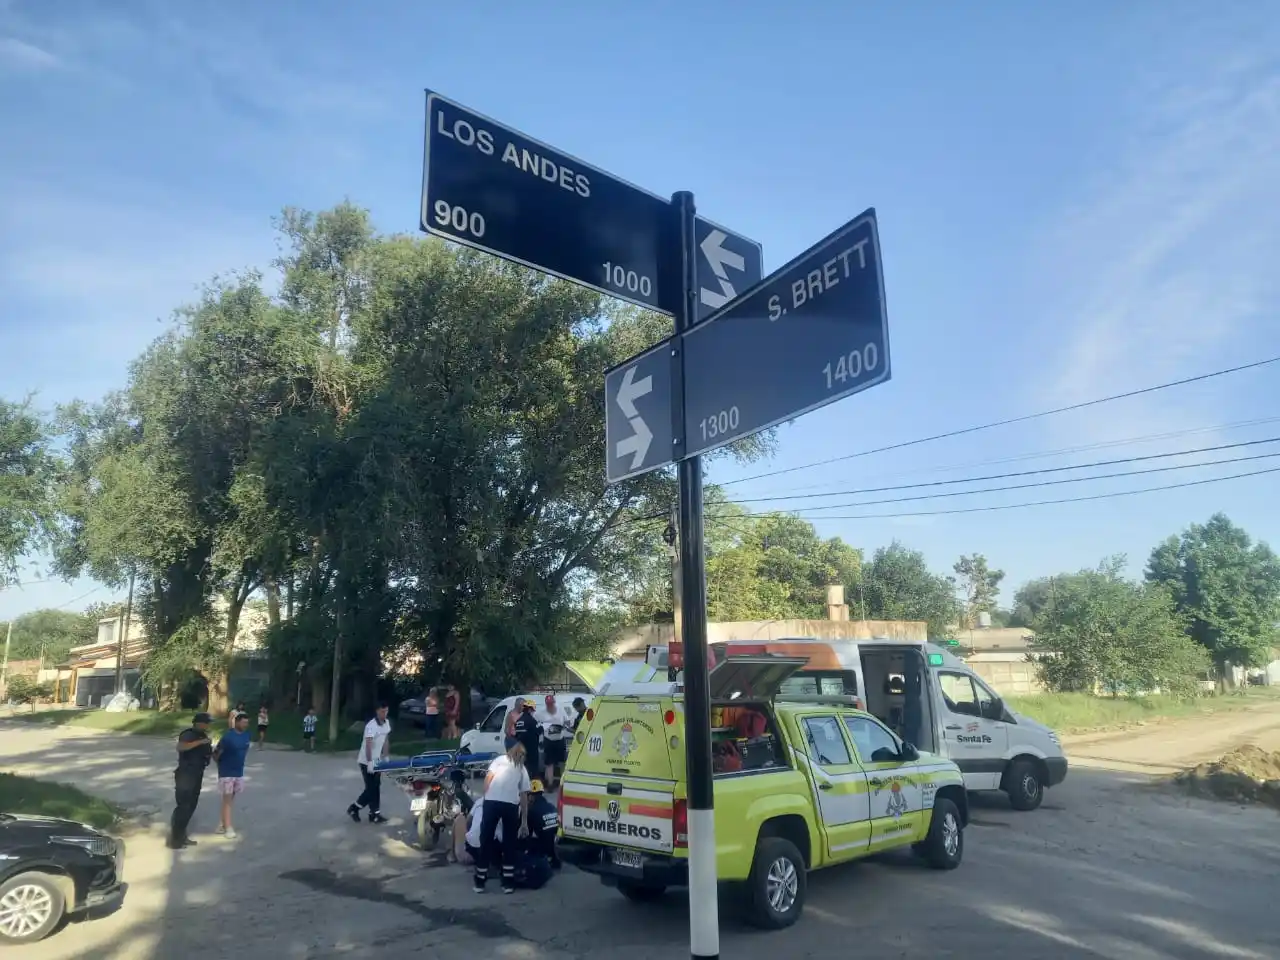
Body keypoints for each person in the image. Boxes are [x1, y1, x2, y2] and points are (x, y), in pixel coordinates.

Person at [474, 742, 530, 895]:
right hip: (510, 806)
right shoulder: (521, 768)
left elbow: (488, 780)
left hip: (492, 803)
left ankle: (480, 881)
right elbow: (524, 795)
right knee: (509, 844)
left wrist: (486, 799)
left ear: (508, 750)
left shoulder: (498, 761)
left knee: (486, 841)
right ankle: (508, 883)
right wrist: (524, 821)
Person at [169, 712, 213, 849]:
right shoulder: (188, 734)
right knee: (183, 807)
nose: (208, 725)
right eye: (206, 722)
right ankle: (175, 839)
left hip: (197, 774)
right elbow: (181, 747)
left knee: (191, 806)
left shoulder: (203, 735)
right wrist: (201, 742)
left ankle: (182, 836)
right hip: (185, 774)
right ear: (198, 723)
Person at [347, 702, 391, 824]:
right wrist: (370, 762)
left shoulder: (386, 723)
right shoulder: (371, 726)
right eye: (382, 711)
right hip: (366, 761)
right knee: (371, 788)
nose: (384, 714)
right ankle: (354, 808)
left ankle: (374, 814)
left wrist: (386, 757)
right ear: (377, 711)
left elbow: (386, 741)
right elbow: (368, 745)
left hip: (377, 760)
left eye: (386, 711)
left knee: (376, 786)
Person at [213, 711, 253, 838]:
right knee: (228, 800)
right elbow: (216, 754)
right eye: (243, 722)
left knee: (230, 800)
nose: (245, 725)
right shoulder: (228, 737)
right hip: (227, 772)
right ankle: (228, 827)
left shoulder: (247, 736)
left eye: (247, 723)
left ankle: (222, 823)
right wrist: (222, 767)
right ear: (236, 722)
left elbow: (245, 750)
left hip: (238, 772)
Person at [524, 778, 561, 870]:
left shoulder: (532, 811)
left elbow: (527, 833)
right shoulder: (551, 806)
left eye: (528, 795)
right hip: (556, 843)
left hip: (544, 846)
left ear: (531, 796)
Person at [539, 695, 569, 789]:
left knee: (562, 762)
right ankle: (550, 784)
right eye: (548, 704)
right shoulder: (541, 712)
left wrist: (563, 725)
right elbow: (536, 722)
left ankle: (563, 784)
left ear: (554, 703)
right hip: (548, 740)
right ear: (546, 704)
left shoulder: (560, 710)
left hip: (560, 739)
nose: (550, 705)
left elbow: (567, 721)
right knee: (549, 763)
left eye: (551, 703)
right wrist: (543, 726)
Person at [512, 699, 541, 783]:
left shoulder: (518, 721)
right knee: (533, 769)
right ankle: (533, 787)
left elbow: (516, 734)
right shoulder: (532, 721)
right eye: (533, 710)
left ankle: (522, 784)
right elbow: (540, 730)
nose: (533, 712)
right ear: (529, 709)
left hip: (520, 748)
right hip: (532, 749)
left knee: (522, 768)